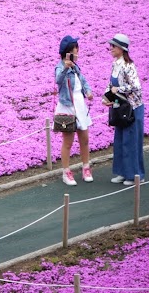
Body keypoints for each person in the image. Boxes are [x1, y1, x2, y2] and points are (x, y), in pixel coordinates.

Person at [102, 34, 144, 185]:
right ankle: (122, 172)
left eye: (113, 46)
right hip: (120, 107)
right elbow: (110, 85)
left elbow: (136, 87)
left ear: (122, 48)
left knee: (131, 140)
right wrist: (107, 98)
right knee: (120, 140)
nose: (110, 48)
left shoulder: (128, 66)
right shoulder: (115, 64)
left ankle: (134, 175)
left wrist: (117, 89)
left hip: (132, 108)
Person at [55, 36, 94, 186]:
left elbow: (83, 81)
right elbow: (58, 81)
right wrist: (65, 68)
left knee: (84, 139)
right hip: (67, 107)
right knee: (68, 142)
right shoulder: (60, 67)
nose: (77, 52)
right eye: (74, 50)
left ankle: (86, 168)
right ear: (67, 53)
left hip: (80, 105)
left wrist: (88, 92)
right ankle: (66, 172)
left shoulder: (76, 67)